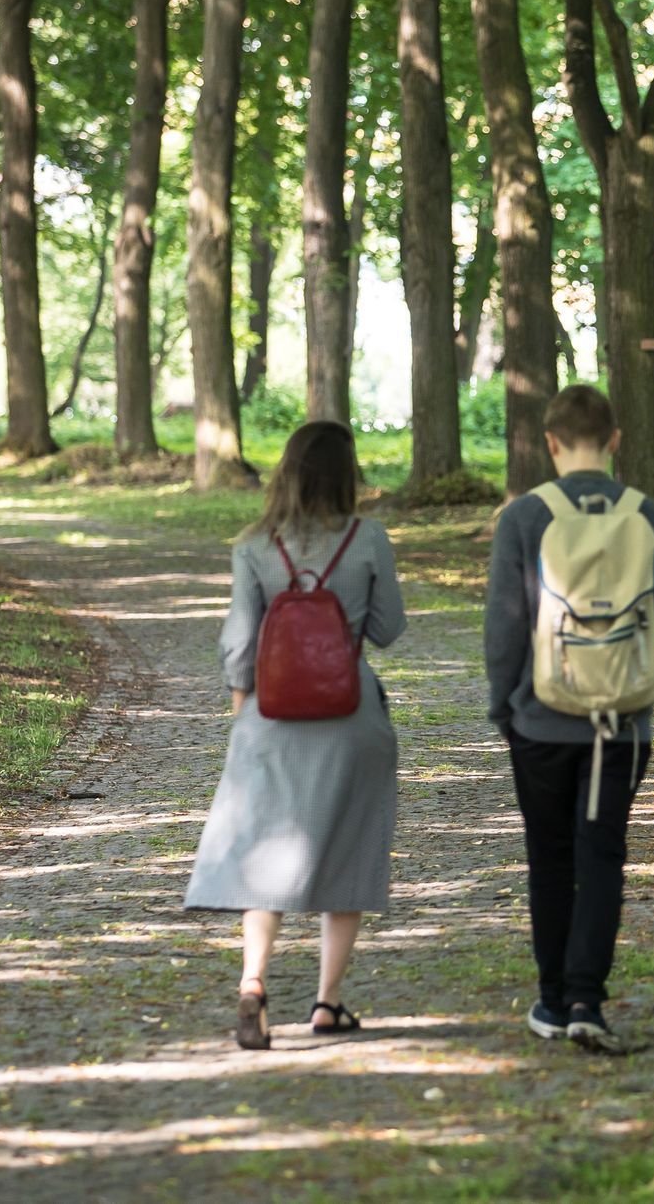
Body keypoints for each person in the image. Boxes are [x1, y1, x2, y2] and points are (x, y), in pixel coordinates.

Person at [485, 385, 654, 1053]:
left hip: (541, 720)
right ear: (615, 440)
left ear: (550, 443)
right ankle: (586, 1000)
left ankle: (551, 1000)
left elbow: (504, 630)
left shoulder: (524, 518)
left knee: (548, 860)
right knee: (602, 854)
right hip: (624, 724)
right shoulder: (651, 516)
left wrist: (505, 704)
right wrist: (622, 644)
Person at [185, 420, 407, 1050]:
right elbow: (389, 628)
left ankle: (253, 982)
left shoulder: (255, 545)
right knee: (351, 848)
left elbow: (238, 644)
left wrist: (242, 712)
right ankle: (327, 1003)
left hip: (271, 716)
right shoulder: (368, 539)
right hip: (351, 716)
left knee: (262, 855)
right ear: (348, 474)